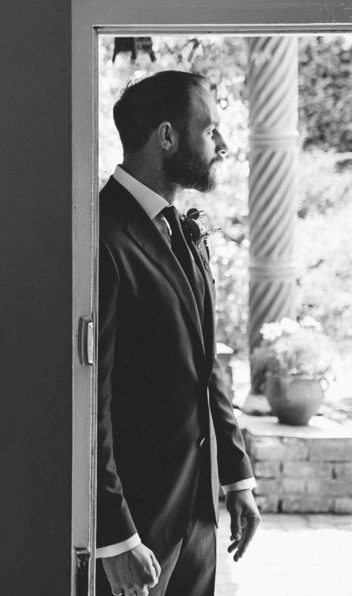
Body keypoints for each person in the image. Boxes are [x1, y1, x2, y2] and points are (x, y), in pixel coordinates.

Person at [96, 70, 260, 596]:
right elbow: (86, 400)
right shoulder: (99, 234)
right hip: (138, 524)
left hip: (199, 515)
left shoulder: (182, 227)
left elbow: (204, 361)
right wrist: (114, 536)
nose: (224, 145)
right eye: (210, 130)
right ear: (166, 137)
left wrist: (236, 475)